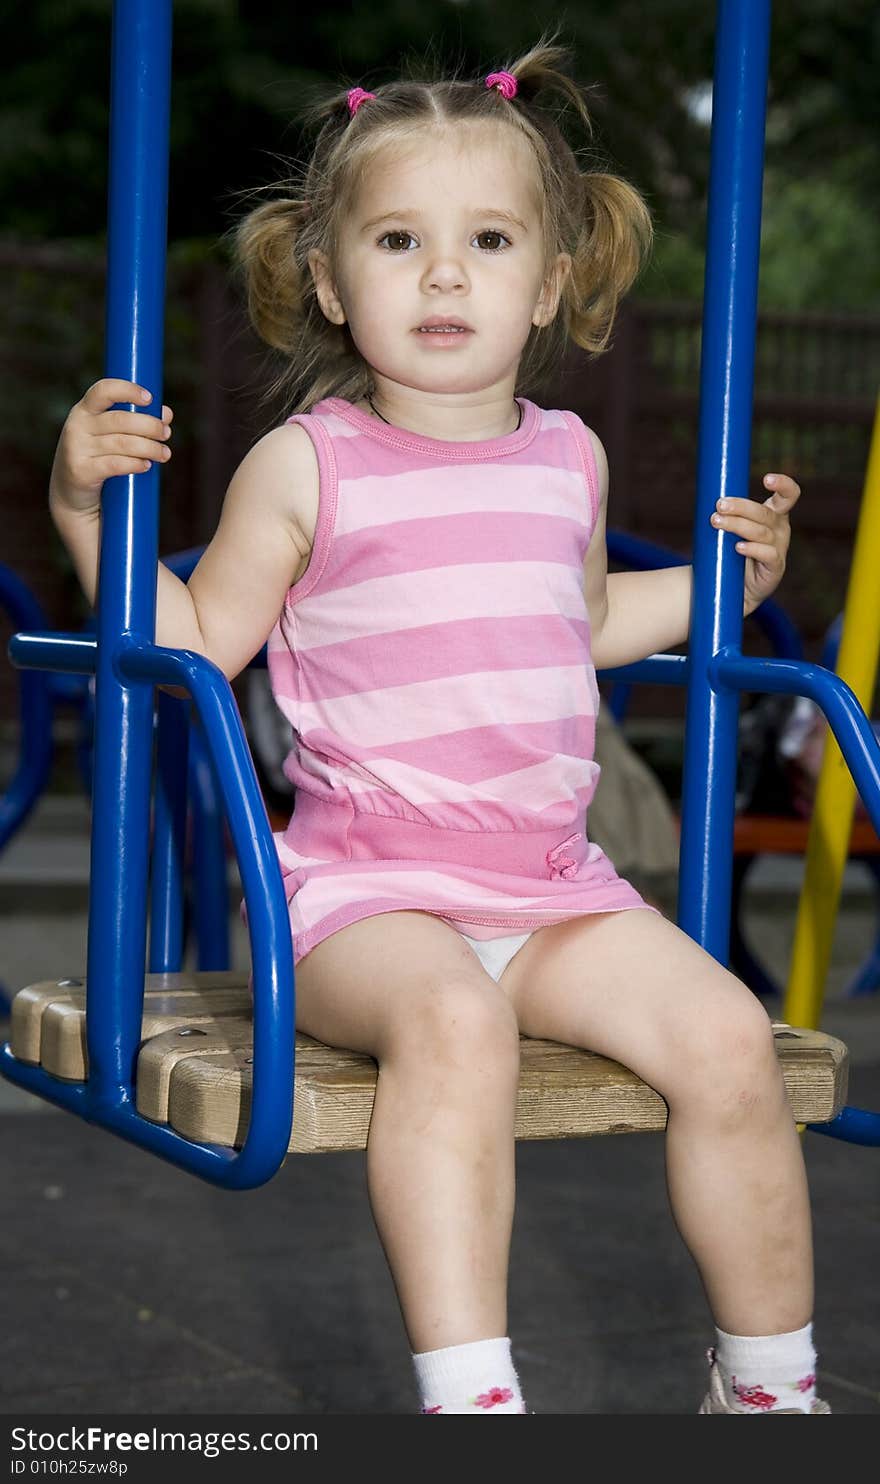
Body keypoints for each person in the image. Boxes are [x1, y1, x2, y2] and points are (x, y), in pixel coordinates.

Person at [47, 35, 827, 1416]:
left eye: (488, 239)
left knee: (724, 1033)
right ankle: (474, 1397)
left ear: (552, 282)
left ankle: (767, 1388)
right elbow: (201, 643)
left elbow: (576, 624)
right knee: (453, 1025)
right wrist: (82, 521)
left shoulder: (567, 458)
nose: (447, 273)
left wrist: (724, 585)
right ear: (335, 285)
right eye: (401, 240)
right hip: (368, 897)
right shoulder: (310, 464)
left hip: (550, 888)